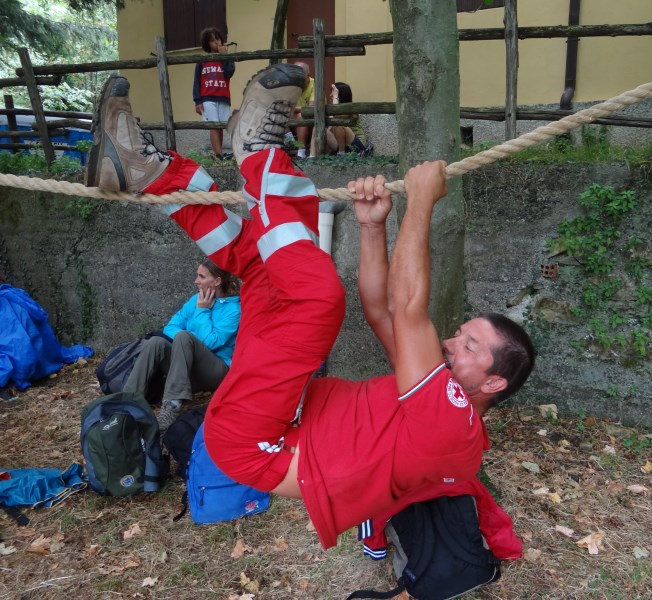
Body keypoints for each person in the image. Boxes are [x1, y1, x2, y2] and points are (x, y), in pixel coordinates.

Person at [85, 66, 535, 551]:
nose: (450, 342)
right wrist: (371, 226)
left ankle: (260, 154)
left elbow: (407, 309)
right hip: (271, 415)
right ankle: (145, 171)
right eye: (460, 333)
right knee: (263, 265)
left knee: (316, 299)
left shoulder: (455, 427)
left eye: (469, 345)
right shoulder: (432, 392)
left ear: (493, 383)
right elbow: (382, 311)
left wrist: (422, 203)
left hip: (259, 441)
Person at [122, 259, 241, 431]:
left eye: (201, 276)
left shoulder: (233, 309)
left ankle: (172, 405)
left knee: (184, 337)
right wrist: (187, 337)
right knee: (157, 342)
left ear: (216, 281)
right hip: (186, 366)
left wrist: (202, 311)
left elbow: (212, 343)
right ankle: (126, 401)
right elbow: (170, 327)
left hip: (215, 368)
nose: (196, 281)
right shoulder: (195, 300)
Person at [193, 27, 235, 160]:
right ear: (207, 44)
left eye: (218, 39)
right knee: (213, 125)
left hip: (223, 97)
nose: (216, 42)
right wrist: (197, 101)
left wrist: (225, 57)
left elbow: (229, 73)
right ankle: (218, 154)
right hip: (207, 98)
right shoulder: (202, 62)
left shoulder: (227, 58)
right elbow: (197, 82)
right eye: (212, 41)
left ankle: (220, 153)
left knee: (221, 126)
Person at [312, 82, 369, 157]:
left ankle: (341, 155)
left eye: (333, 92)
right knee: (318, 128)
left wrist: (336, 96)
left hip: (356, 146)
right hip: (339, 144)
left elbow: (336, 114)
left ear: (340, 95)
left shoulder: (351, 109)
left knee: (338, 124)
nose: (330, 95)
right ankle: (312, 156)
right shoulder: (330, 109)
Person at [291, 61, 315, 159]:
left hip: (310, 122)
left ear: (308, 75)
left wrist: (292, 108)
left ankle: (301, 152)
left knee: (302, 115)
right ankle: (290, 141)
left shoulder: (315, 84)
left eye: (299, 78)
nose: (296, 81)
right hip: (291, 118)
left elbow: (311, 109)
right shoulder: (290, 84)